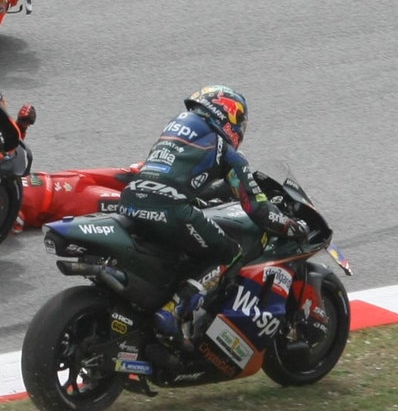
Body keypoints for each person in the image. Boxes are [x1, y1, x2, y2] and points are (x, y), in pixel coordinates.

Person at [116, 86, 303, 348]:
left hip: (129, 201)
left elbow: (178, 175)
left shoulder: (175, 127)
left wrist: (203, 198)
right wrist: (290, 226)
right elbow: (257, 209)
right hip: (168, 209)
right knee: (230, 252)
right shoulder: (228, 152)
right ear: (229, 116)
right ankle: (173, 310)